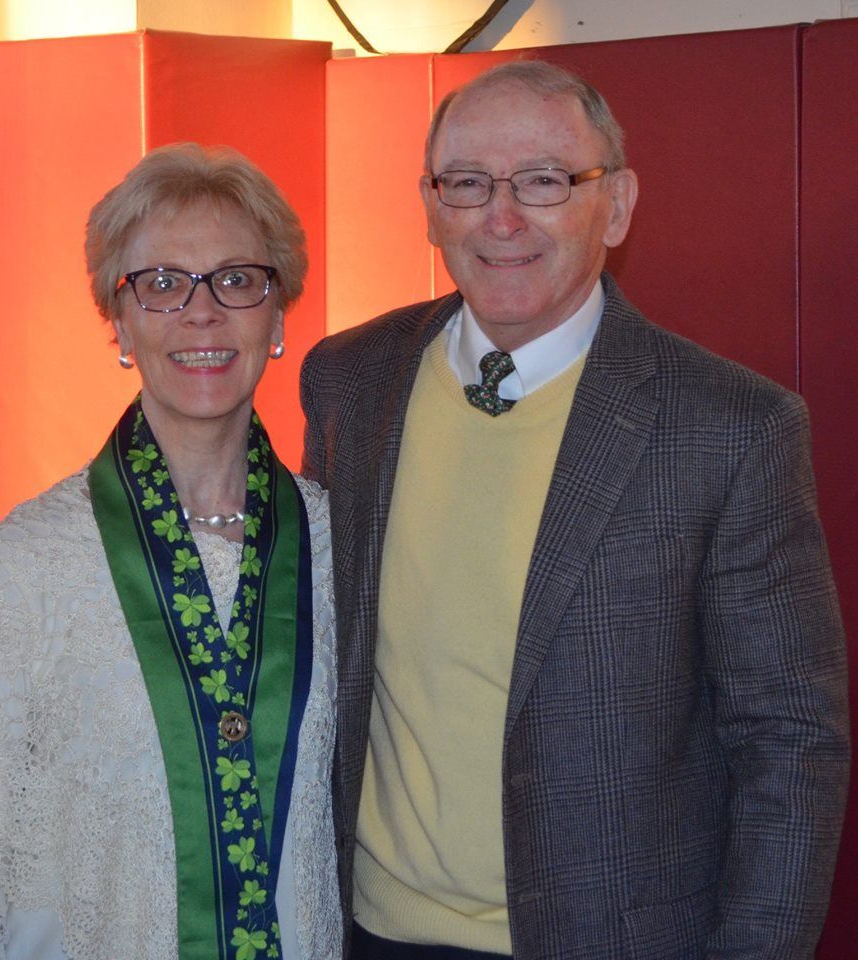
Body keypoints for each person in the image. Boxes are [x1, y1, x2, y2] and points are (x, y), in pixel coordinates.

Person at [300, 60, 850, 960]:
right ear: (431, 206)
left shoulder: (730, 430)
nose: (502, 217)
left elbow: (789, 742)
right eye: (468, 183)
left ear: (618, 204)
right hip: (367, 933)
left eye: (546, 181)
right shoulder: (349, 381)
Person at [0, 143, 340, 960]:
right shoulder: (33, 555)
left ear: (278, 314)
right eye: (162, 284)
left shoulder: (337, 543)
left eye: (237, 279)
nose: (201, 313)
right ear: (118, 319)